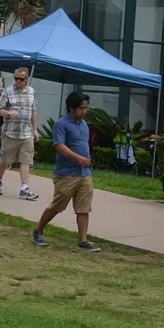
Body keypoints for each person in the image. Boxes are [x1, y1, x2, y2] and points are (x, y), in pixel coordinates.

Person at [32, 91, 99, 252]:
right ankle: (38, 230)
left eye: (86, 108)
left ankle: (83, 241)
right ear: (71, 108)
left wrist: (86, 159)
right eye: (81, 108)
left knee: (84, 208)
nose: (84, 111)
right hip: (66, 174)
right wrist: (78, 158)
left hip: (84, 174)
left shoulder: (84, 125)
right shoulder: (61, 124)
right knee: (57, 206)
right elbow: (59, 146)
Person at [0, 67, 39, 201]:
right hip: (10, 132)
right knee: (4, 159)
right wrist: (8, 113)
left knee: (25, 160)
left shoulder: (31, 92)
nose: (18, 81)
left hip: (26, 132)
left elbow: (34, 111)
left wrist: (35, 129)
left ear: (26, 80)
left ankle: (24, 188)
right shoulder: (8, 91)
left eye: (21, 79)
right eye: (16, 78)